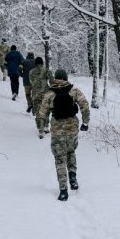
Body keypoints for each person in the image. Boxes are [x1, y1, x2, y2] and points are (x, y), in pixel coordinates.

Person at [36, 69, 90, 202]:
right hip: (72, 128)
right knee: (71, 152)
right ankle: (73, 177)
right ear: (66, 78)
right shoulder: (74, 91)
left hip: (57, 130)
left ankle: (63, 190)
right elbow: (85, 106)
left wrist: (42, 127)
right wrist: (85, 122)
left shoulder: (49, 94)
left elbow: (41, 113)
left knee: (59, 158)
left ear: (55, 78)